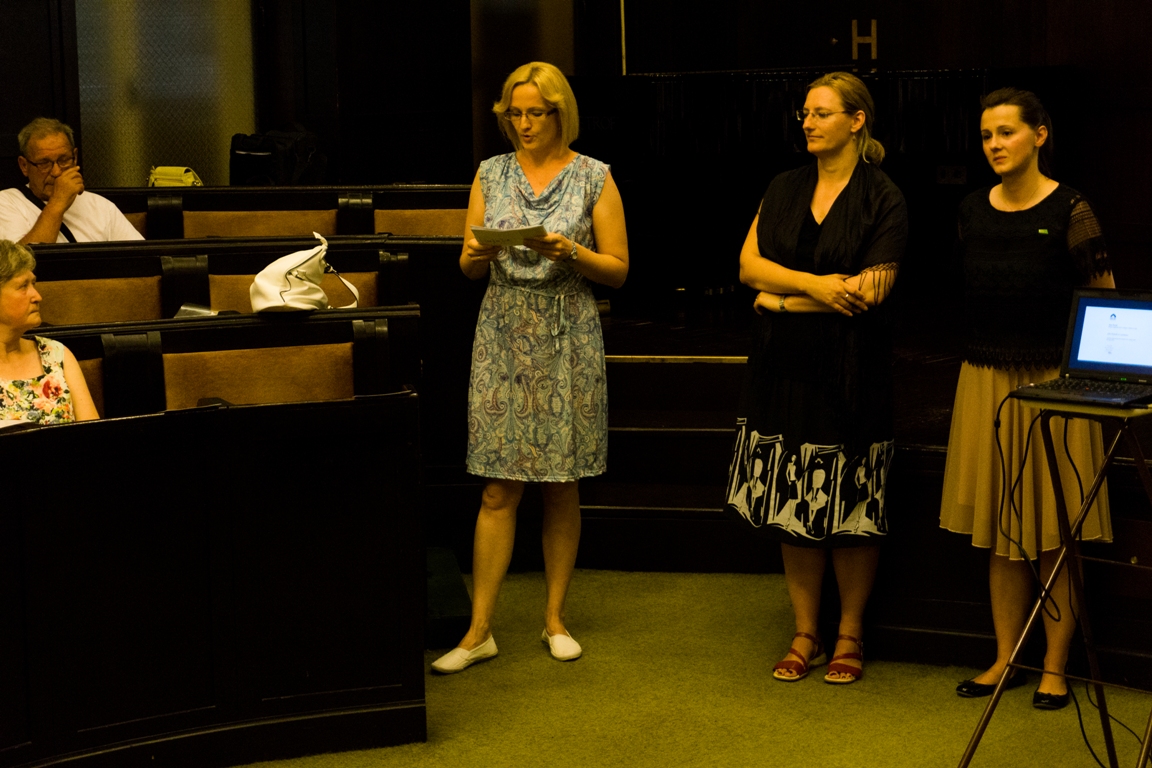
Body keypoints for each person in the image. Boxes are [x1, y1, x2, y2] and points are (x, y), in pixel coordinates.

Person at [431, 62, 628, 674]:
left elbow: (619, 270)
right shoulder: (490, 173)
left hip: (567, 332)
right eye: (513, 114)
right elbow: (468, 267)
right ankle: (479, 632)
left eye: (534, 113)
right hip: (502, 332)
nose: (522, 124)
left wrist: (570, 250)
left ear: (559, 114)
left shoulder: (594, 176)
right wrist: (472, 253)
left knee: (561, 484)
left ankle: (555, 619)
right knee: (497, 486)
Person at [726, 72, 907, 685]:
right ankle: (805, 631)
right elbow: (748, 266)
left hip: (852, 370)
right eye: (804, 113)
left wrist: (779, 299)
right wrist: (811, 288)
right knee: (792, 501)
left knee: (852, 505)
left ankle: (850, 632)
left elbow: (869, 291)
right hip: (782, 367)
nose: (807, 122)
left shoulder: (884, 196)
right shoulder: (784, 186)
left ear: (856, 121)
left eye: (822, 113)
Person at [940, 88, 1114, 710]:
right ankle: (1005, 658)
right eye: (987, 135)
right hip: (985, 382)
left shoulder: (1072, 208)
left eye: (1007, 132)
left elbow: (1103, 300)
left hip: (1053, 386)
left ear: (1039, 135)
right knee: (1000, 527)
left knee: (1052, 532)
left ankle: (1055, 667)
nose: (994, 144)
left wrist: (1091, 386)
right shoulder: (970, 209)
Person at [0, 118, 144, 244]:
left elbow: (140, 258)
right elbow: (20, 264)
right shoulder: (6, 203)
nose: (56, 172)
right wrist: (58, 202)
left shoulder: (102, 207)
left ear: (74, 158)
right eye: (44, 163)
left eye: (63, 160)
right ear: (24, 166)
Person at [0, 239, 98, 423]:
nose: (37, 296)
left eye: (33, 284)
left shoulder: (56, 354)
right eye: (23, 286)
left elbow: (93, 434)